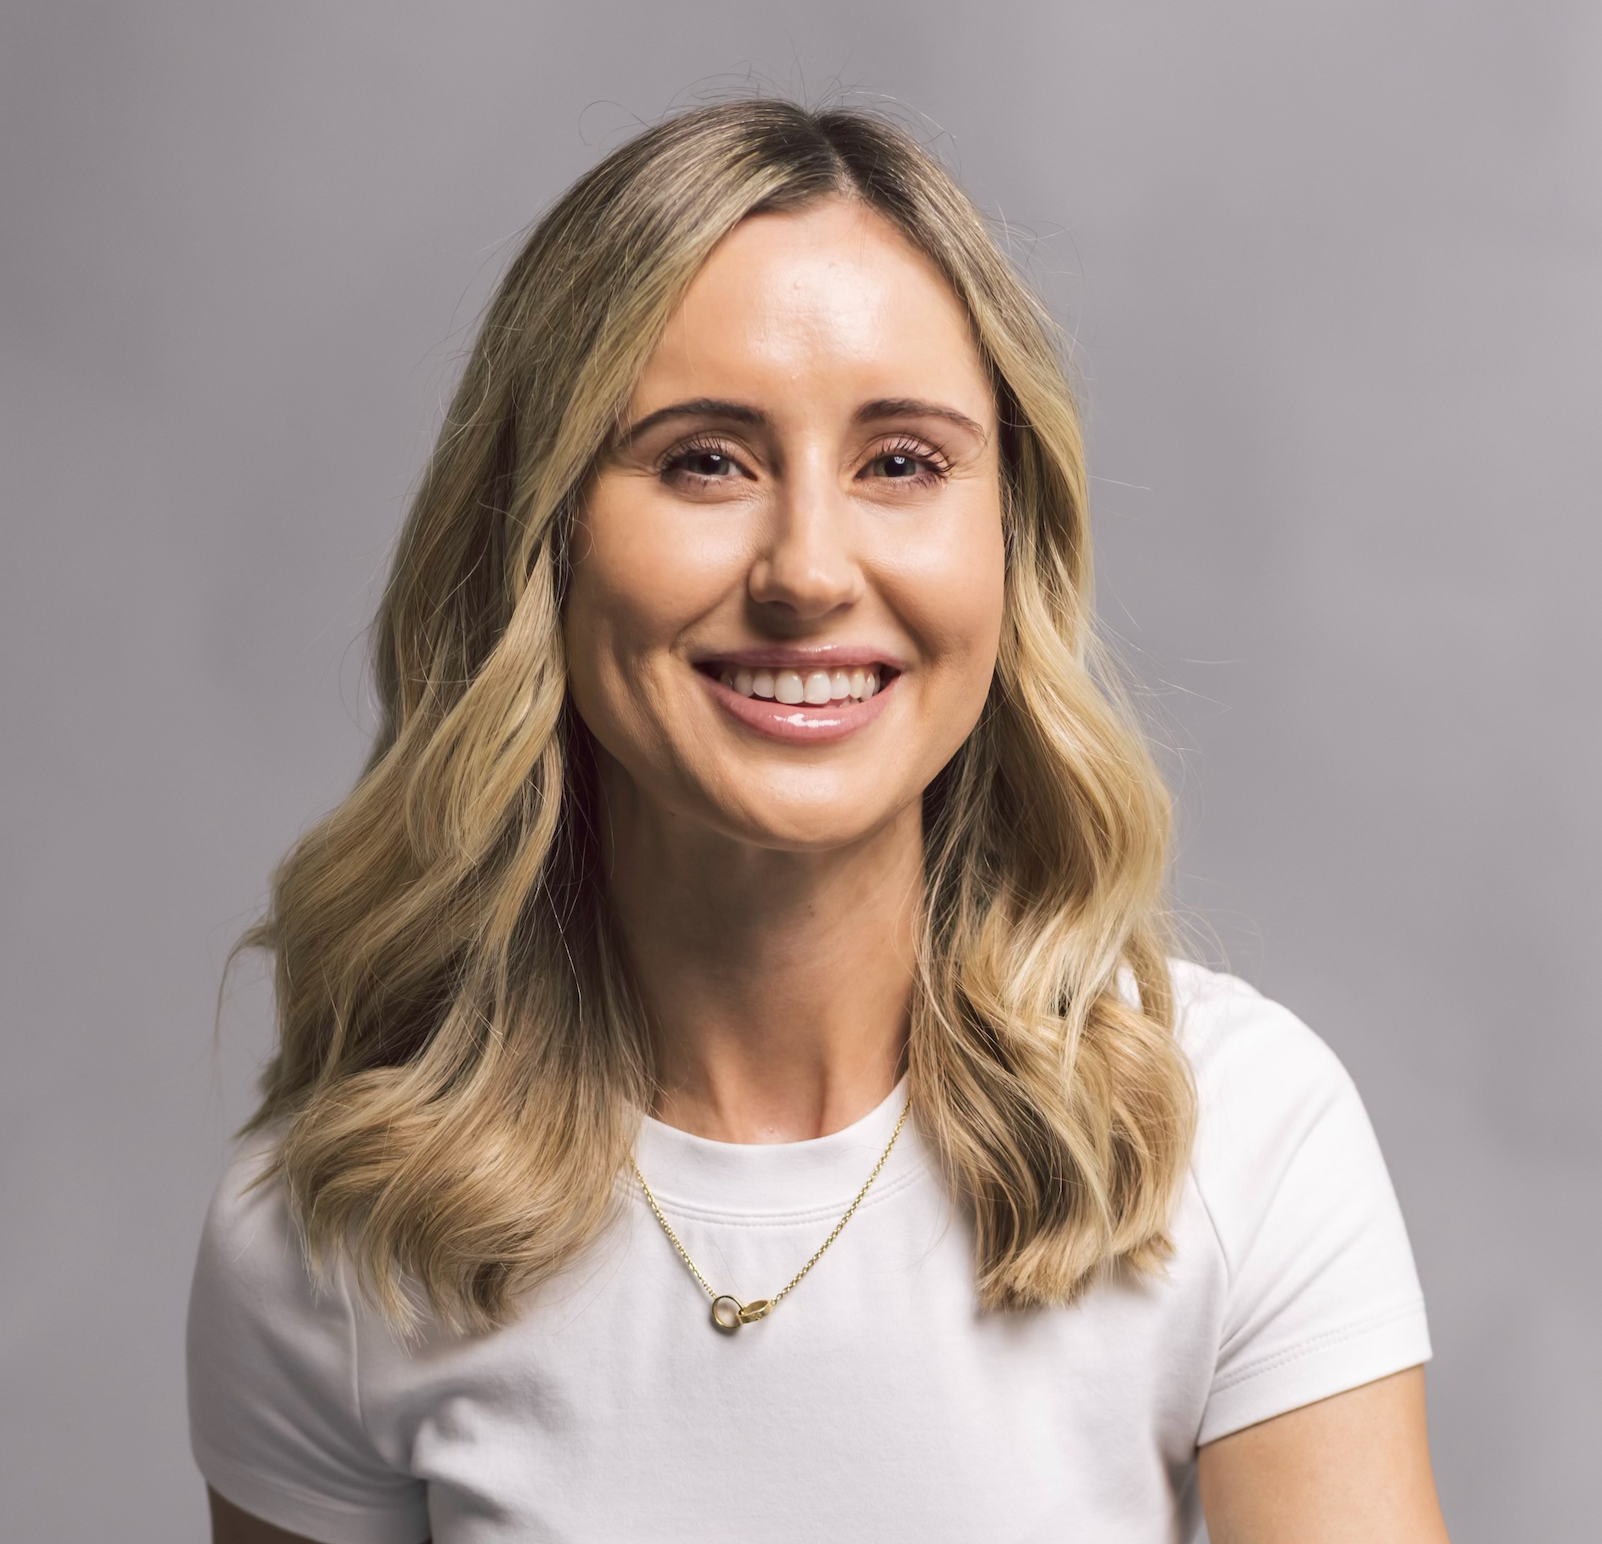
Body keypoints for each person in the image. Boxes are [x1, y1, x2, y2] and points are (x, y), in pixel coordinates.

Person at [187, 100, 1450, 1543]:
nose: (805, 570)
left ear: (1003, 540)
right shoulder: (333, 1231)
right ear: (541, 540)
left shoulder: (1232, 1137)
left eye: (900, 463)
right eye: (703, 460)